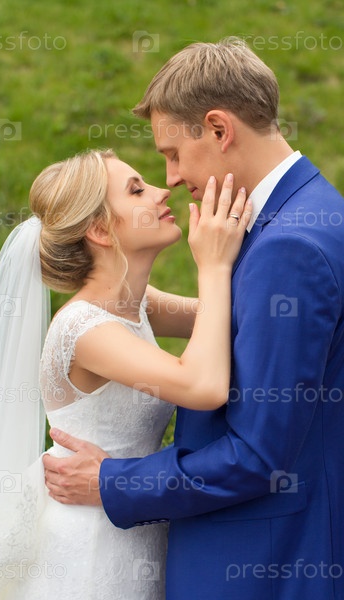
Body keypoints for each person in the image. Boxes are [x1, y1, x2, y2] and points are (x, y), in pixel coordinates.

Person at [43, 39, 344, 599]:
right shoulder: (311, 213)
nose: (172, 178)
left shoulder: (289, 248)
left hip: (262, 563)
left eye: (174, 153)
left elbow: (256, 454)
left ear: (218, 129)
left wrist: (113, 482)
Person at [0, 148, 250, 599]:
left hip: (129, 511)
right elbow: (202, 385)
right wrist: (213, 265)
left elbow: (228, 319)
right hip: (90, 542)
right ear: (101, 230)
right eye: (137, 190)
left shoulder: (134, 303)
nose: (162, 191)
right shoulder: (85, 329)